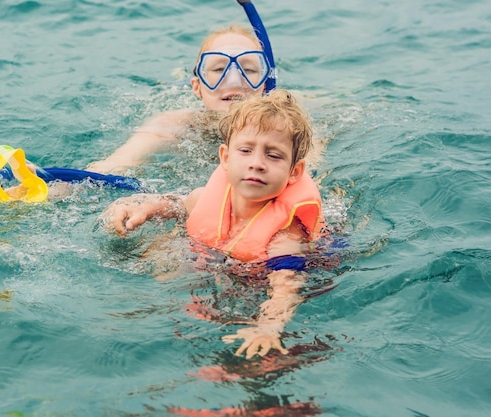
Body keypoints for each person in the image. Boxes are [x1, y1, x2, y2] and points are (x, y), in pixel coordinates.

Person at [100, 90, 326, 359]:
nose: (257, 164)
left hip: (251, 289)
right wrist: (144, 207)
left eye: (274, 156)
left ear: (294, 172)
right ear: (226, 157)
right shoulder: (209, 198)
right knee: (160, 256)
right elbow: (179, 204)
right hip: (213, 268)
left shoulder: (285, 234)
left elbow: (286, 287)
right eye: (245, 150)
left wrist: (268, 327)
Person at [86, 24, 270, 175]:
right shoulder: (174, 124)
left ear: (264, 85)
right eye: (219, 70)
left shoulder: (284, 126)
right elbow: (118, 163)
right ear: (197, 87)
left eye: (249, 70)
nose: (234, 82)